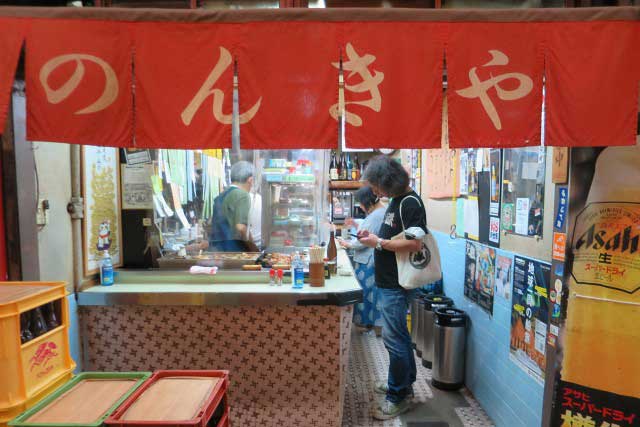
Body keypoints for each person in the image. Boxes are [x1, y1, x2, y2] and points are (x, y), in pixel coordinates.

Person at [357, 155, 427, 421]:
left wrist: (378, 243)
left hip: (397, 283)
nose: (375, 191)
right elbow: (391, 236)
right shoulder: (396, 201)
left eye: (377, 186)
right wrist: (372, 239)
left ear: (389, 182)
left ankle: (397, 397)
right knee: (398, 336)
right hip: (389, 280)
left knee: (394, 339)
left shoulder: (410, 203)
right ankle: (403, 383)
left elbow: (414, 244)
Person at [337, 186, 386, 334]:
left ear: (367, 201)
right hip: (373, 259)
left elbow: (361, 241)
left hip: (369, 261)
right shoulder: (381, 211)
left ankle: (366, 324)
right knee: (371, 294)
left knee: (366, 293)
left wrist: (346, 244)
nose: (361, 207)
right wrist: (356, 224)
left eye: (361, 204)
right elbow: (370, 232)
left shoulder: (376, 215)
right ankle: (370, 325)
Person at [209, 161, 257, 252]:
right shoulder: (242, 195)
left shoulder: (222, 194)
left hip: (217, 250)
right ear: (250, 180)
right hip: (234, 250)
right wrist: (254, 249)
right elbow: (241, 227)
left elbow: (212, 223)